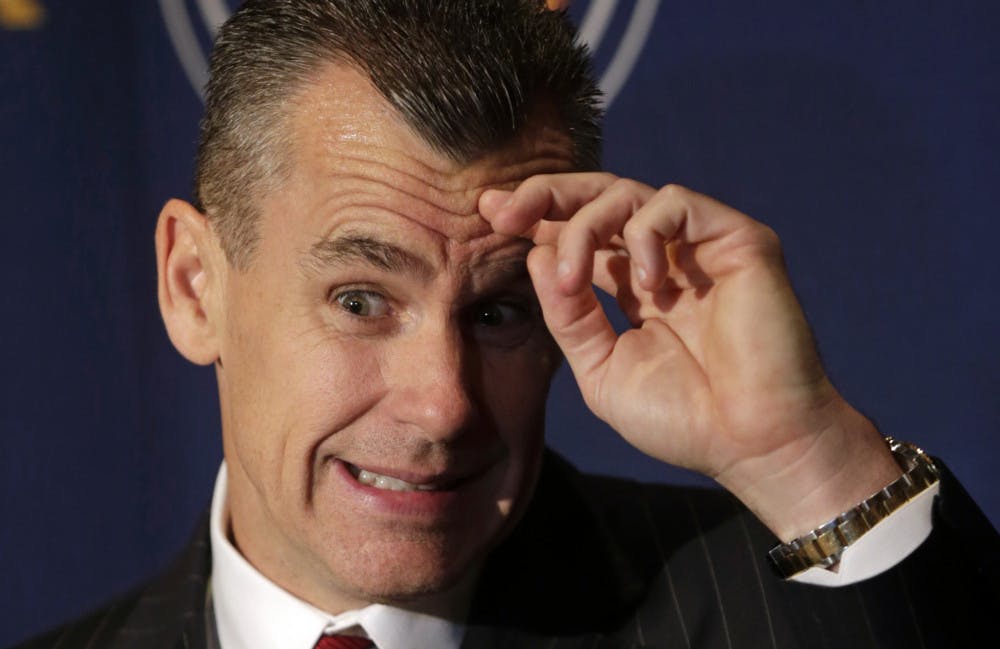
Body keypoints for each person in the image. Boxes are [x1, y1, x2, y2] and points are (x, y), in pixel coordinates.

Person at [16, 1, 998, 647]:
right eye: (360, 299)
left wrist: (806, 458)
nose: (443, 401)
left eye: (497, 312)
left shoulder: (761, 610)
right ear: (195, 284)